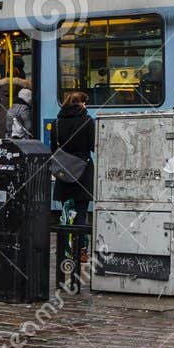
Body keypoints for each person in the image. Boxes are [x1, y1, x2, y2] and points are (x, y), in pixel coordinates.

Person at [50, 90, 96, 286]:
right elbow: (93, 145)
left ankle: (66, 250)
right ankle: (81, 250)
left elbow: (54, 148)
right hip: (83, 170)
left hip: (63, 171)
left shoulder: (57, 122)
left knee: (65, 210)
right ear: (82, 104)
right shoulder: (87, 121)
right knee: (82, 212)